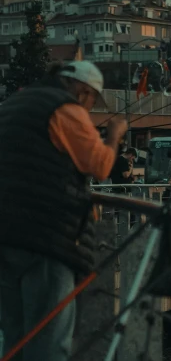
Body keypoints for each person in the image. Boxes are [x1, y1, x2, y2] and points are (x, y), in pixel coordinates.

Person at [0, 61, 128, 361]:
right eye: (93, 100)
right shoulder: (65, 109)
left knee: (16, 334)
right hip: (46, 236)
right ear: (83, 91)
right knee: (48, 337)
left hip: (5, 233)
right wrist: (114, 136)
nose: (90, 106)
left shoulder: (12, 104)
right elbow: (100, 166)